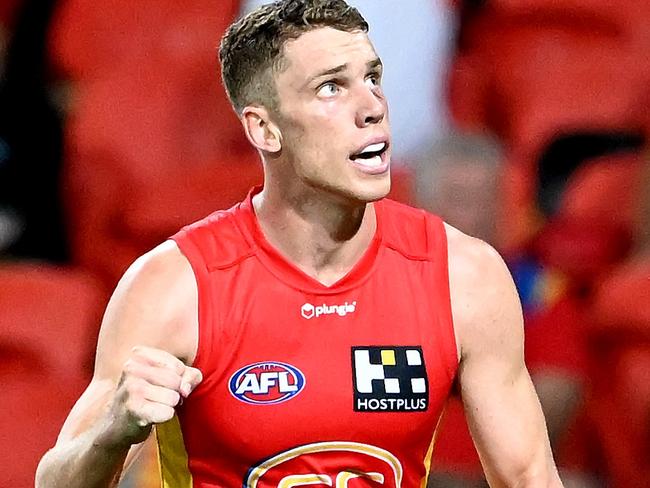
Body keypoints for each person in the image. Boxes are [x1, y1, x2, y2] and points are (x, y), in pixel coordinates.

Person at [36, 1, 563, 486]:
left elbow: (528, 478)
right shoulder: (177, 286)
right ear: (265, 130)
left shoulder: (461, 275)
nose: (374, 106)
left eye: (372, 78)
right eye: (331, 87)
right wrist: (112, 431)